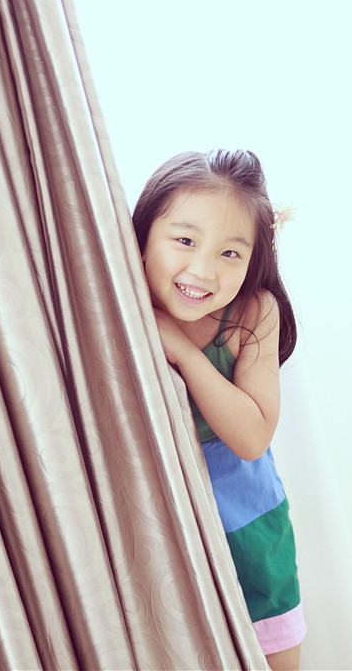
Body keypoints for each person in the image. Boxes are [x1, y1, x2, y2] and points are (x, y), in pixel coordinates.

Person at [132, 149, 306, 671]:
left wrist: (184, 353)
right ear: (143, 235)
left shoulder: (252, 311)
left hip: (249, 523)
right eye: (185, 241)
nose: (203, 270)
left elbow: (252, 438)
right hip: (162, 528)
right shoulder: (114, 307)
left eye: (230, 252)